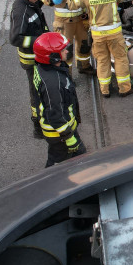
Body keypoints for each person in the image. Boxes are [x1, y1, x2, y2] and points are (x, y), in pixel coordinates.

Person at [69, 0, 133, 98]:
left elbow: (71, 5)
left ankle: (105, 90)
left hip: (98, 36)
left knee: (102, 61)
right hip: (115, 34)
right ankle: (124, 88)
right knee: (120, 59)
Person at [32, 32, 86, 166]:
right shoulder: (53, 83)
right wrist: (69, 138)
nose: (67, 51)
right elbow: (55, 114)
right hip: (59, 135)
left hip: (60, 133)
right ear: (53, 57)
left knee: (56, 159)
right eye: (62, 50)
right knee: (70, 162)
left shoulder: (45, 69)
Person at [10, 0, 51, 137]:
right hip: (31, 59)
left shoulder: (30, 3)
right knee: (36, 91)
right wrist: (40, 40)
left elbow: (37, 5)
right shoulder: (21, 11)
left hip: (39, 54)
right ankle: (38, 125)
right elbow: (15, 38)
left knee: (43, 87)